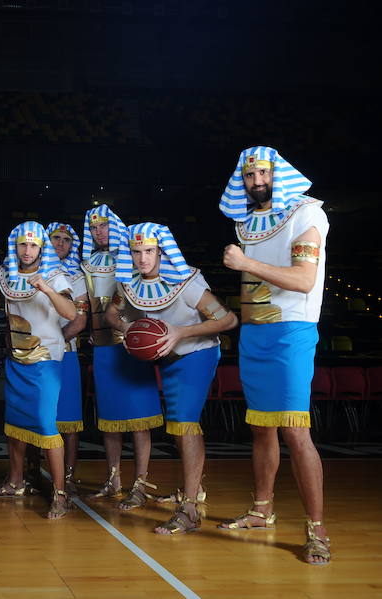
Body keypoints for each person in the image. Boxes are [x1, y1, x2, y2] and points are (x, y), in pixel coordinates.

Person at [217, 146, 331, 564]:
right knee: (261, 429)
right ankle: (262, 510)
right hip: (255, 335)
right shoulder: (248, 220)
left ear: (277, 174)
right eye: (249, 176)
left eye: (263, 174)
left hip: (291, 332)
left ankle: (317, 530)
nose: (256, 182)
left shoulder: (306, 214)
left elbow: (303, 280)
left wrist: (245, 261)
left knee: (295, 431)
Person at [111, 223, 237, 533]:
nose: (142, 259)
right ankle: (194, 491)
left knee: (183, 424)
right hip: (165, 358)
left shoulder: (185, 281)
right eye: (136, 252)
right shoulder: (129, 283)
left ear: (161, 251)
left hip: (197, 352)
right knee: (178, 427)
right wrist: (128, 328)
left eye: (149, 251)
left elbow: (228, 319)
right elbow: (111, 314)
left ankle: (190, 509)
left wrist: (181, 332)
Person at [0, 222, 78, 519]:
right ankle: (15, 481)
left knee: (45, 423)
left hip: (46, 359)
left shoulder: (55, 274)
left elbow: (71, 313)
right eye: (23, 245)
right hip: (16, 358)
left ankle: (60, 494)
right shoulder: (4, 275)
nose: (28, 251)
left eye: (34, 245)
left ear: (42, 248)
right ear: (16, 246)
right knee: (15, 424)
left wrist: (47, 289)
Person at [79, 205, 163, 510]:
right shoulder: (88, 262)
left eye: (104, 226)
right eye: (93, 228)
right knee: (110, 421)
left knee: (140, 421)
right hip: (102, 346)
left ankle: (140, 484)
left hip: (134, 345)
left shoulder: (134, 256)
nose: (99, 232)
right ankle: (113, 480)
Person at [46, 221, 87, 496]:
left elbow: (80, 321)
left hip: (67, 352)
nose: (60, 244)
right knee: (40, 417)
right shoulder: (36, 270)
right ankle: (31, 471)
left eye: (66, 240)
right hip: (36, 355)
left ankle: (68, 475)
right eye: (55, 239)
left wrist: (55, 338)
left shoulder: (78, 278)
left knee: (69, 420)